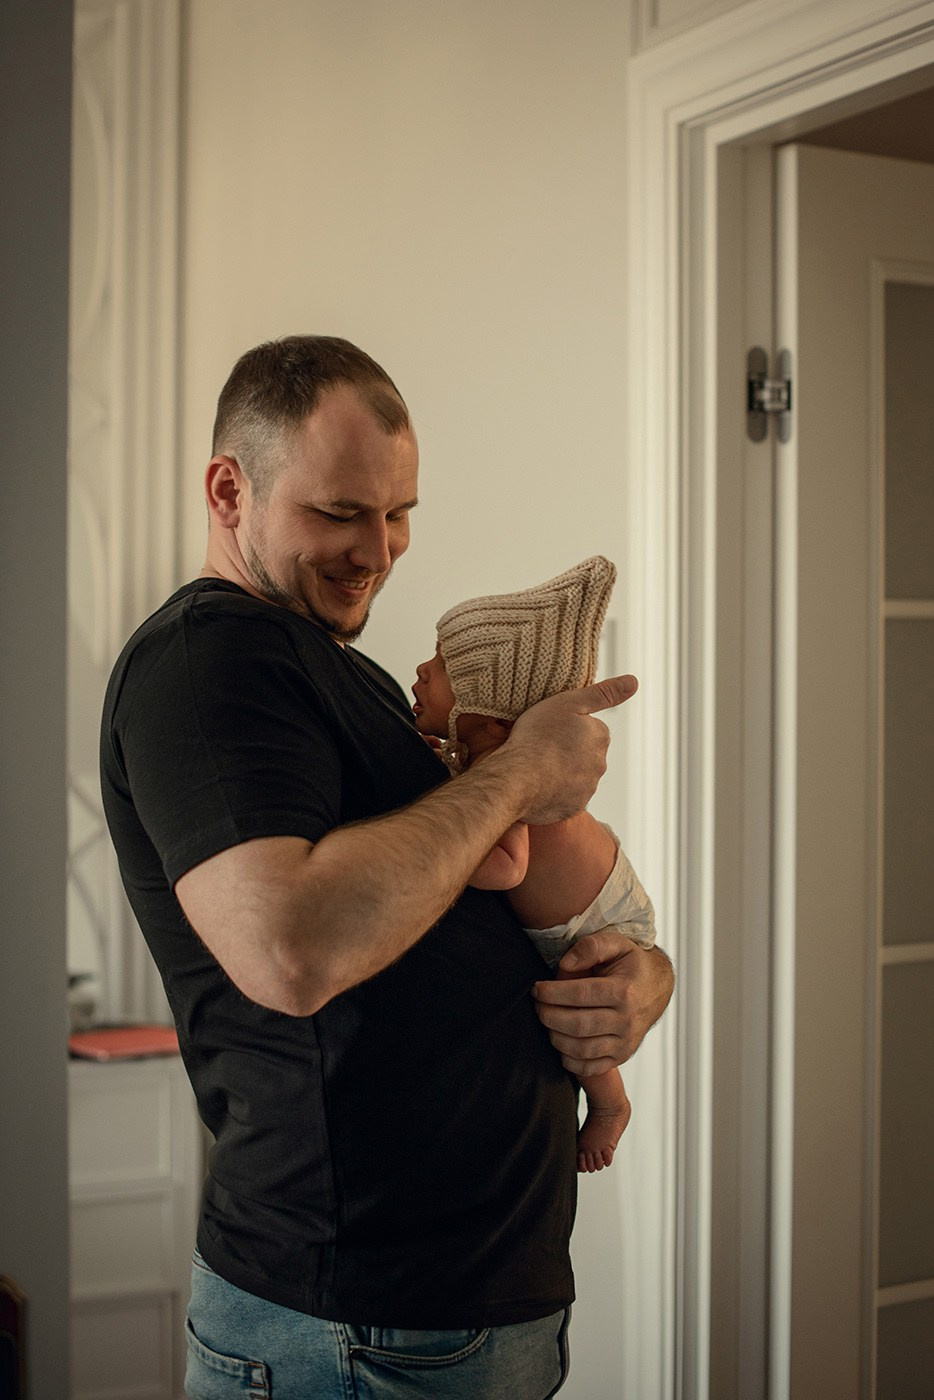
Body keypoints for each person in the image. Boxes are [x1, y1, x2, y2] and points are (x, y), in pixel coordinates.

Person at [100, 335, 674, 1400]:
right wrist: (519, 776)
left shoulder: (346, 675)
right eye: (339, 512)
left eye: (399, 509)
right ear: (231, 488)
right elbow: (289, 946)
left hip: (455, 1309)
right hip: (349, 1327)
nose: (381, 547)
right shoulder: (204, 665)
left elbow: (516, 894)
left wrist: (636, 981)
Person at [410, 555, 657, 1173]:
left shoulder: (518, 782)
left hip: (597, 925)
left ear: (488, 717)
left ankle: (610, 1105)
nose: (421, 669)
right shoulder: (490, 766)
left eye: (441, 667)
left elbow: (506, 868)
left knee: (582, 1014)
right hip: (599, 888)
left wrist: (437, 849)